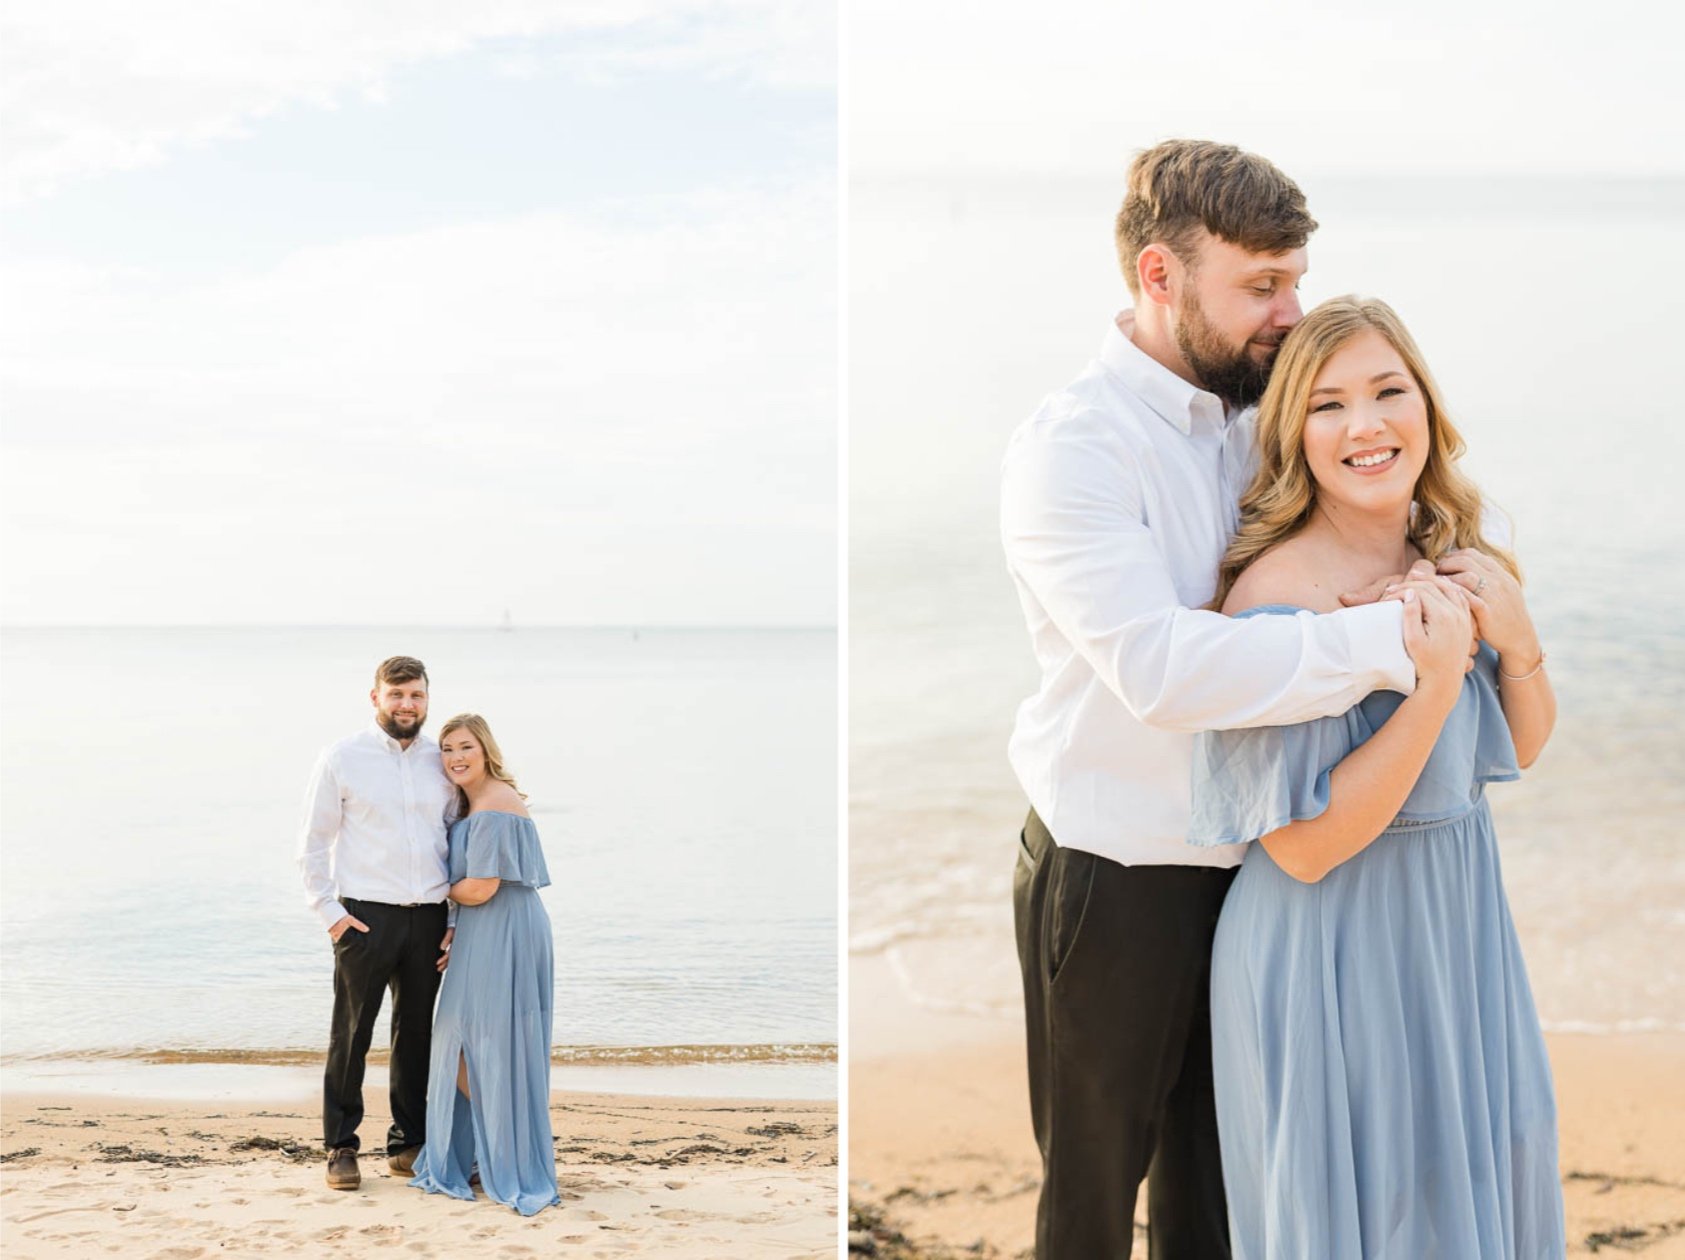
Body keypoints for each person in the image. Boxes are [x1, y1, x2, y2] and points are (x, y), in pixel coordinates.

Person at [999, 140, 1460, 1258]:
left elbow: (1372, 503)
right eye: (1260, 286)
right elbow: (1165, 674)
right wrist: (1390, 642)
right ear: (1158, 277)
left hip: (1264, 875)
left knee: (1228, 1198)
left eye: (1294, 279)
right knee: (1091, 1203)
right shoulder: (1074, 450)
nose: (1287, 312)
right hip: (1118, 873)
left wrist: (1456, 578)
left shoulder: (1262, 413)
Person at [1187, 296, 1563, 1256]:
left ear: (1426, 410)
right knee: (1373, 1214)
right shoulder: (1272, 604)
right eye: (1326, 404)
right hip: (1330, 949)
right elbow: (1303, 850)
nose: (1365, 425)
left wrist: (1516, 639)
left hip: (1456, 924)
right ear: (1292, 436)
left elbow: (1512, 751)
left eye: (1388, 391)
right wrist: (1432, 686)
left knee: (1479, 1182)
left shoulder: (1449, 555)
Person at [297, 655, 457, 1191]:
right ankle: (341, 1147)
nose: (406, 705)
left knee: (416, 1035)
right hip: (364, 918)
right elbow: (313, 843)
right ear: (376, 698)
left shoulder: (444, 760)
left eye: (415, 695)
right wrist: (331, 915)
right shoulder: (343, 757)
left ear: (427, 698)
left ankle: (407, 1142)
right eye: (396, 695)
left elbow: (456, 843)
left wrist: (455, 918)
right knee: (352, 1034)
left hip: (430, 917)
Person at [409, 712, 560, 1215]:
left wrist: (426, 891)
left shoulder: (494, 805)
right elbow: (475, 892)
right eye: (447, 749)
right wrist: (455, 923)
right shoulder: (477, 803)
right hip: (488, 929)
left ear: (486, 750)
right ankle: (493, 1148)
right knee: (470, 1042)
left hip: (505, 931)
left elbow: (482, 887)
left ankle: (506, 1152)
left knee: (481, 1043)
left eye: (465, 747)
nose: (455, 757)